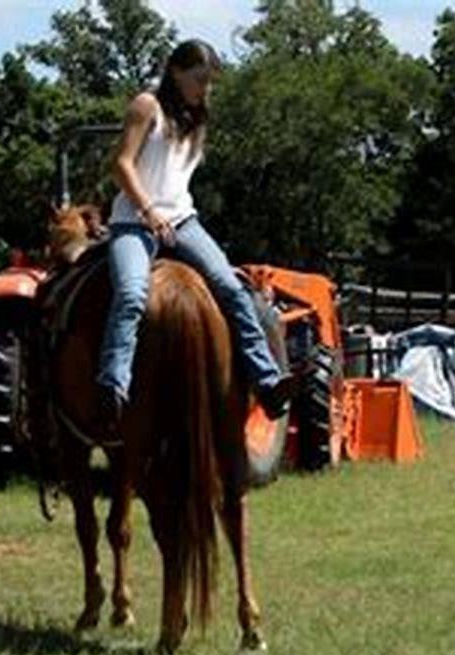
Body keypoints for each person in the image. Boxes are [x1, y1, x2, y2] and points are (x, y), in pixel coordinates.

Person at [97, 38, 297, 428]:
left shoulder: (196, 119)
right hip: (134, 222)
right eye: (200, 79)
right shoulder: (146, 106)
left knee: (233, 289)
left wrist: (168, 213)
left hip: (183, 221)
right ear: (176, 71)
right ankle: (113, 385)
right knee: (132, 293)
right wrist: (149, 210)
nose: (206, 89)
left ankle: (267, 381)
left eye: (210, 82)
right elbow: (120, 165)